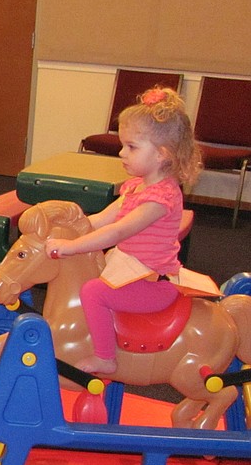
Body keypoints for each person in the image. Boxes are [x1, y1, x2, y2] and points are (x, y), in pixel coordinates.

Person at [44, 87, 203, 376]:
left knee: (92, 292)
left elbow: (117, 232)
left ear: (162, 155)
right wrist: (71, 230)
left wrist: (71, 247)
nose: (121, 153)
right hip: (130, 268)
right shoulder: (136, 186)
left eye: (131, 147)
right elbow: (104, 218)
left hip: (154, 282)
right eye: (123, 145)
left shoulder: (160, 198)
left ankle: (105, 358)